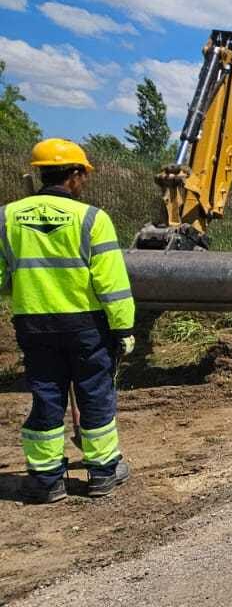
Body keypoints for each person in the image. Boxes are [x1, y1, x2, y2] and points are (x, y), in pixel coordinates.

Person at [0, 139, 136, 504]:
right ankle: (103, 473)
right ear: (75, 175)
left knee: (46, 393)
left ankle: (47, 480)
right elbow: (111, 284)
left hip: (34, 324)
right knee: (95, 393)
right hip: (86, 325)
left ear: (40, 172)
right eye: (84, 175)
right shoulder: (91, 219)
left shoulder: (7, 217)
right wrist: (123, 328)